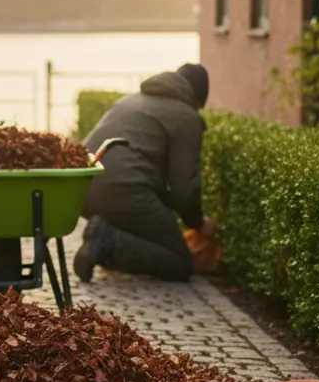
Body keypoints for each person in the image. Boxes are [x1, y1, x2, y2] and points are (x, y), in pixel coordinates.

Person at [73, 63, 216, 283]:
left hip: (80, 187)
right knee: (180, 262)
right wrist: (197, 223)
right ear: (198, 99)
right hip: (123, 191)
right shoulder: (187, 117)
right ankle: (108, 242)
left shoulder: (129, 101)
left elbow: (152, 178)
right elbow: (183, 190)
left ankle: (104, 238)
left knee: (147, 226)